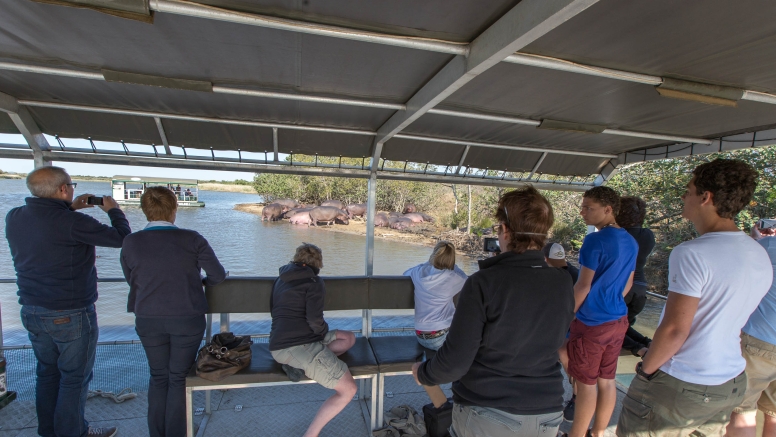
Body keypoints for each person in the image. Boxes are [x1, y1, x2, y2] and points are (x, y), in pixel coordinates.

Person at [616, 159, 773, 437]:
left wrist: (646, 370)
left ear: (705, 197)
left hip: (683, 381)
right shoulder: (757, 252)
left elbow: (675, 329)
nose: (683, 197)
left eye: (688, 191)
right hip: (730, 380)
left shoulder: (691, 253)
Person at [412, 186, 575, 437]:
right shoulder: (563, 282)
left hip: (488, 411)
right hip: (547, 414)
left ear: (505, 231)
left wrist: (423, 373)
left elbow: (455, 363)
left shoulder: (483, 282)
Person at [6, 166, 130, 437]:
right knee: (74, 379)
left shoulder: (14, 217)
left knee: (47, 375)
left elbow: (49, 228)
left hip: (31, 310)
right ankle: (74, 433)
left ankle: (49, 432)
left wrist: (70, 208)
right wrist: (113, 210)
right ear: (63, 189)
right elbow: (123, 239)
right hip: (71, 312)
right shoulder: (75, 224)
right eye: (71, 185)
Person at [120, 187, 226, 437]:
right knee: (178, 378)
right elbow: (217, 276)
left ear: (145, 211)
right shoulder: (193, 239)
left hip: (147, 318)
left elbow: (131, 279)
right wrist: (199, 283)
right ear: (174, 210)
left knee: (158, 377)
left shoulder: (131, 242)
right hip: (187, 318)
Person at [566, 186, 637, 437]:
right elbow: (628, 285)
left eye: (589, 207)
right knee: (607, 381)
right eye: (582, 206)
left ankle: (576, 434)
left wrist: (567, 316)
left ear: (608, 210)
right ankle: (598, 433)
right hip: (618, 318)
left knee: (586, 385)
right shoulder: (630, 240)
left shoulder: (595, 240)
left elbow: (583, 285)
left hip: (592, 322)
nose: (583, 212)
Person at [269, 243, 357, 437]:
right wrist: (321, 334)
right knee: (349, 389)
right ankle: (311, 435)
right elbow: (315, 320)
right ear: (317, 264)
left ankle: (298, 366)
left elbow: (274, 311)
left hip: (280, 343)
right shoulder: (314, 282)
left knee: (348, 338)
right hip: (298, 345)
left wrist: (319, 335)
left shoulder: (280, 279)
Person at [404, 241, 468, 407]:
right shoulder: (454, 277)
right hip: (441, 337)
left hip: (421, 335)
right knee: (472, 352)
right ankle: (462, 399)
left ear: (433, 255)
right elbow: (466, 279)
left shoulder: (419, 272)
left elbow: (405, 273)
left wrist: (428, 264)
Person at [727, 221, 776, 437]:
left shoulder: (768, 246)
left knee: (742, 408)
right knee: (774, 412)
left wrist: (758, 239)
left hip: (761, 340)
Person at [615, 196, 656, 357]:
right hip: (640, 288)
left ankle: (639, 349)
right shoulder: (647, 235)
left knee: (609, 325)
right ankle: (647, 343)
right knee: (623, 325)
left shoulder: (618, 235)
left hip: (621, 287)